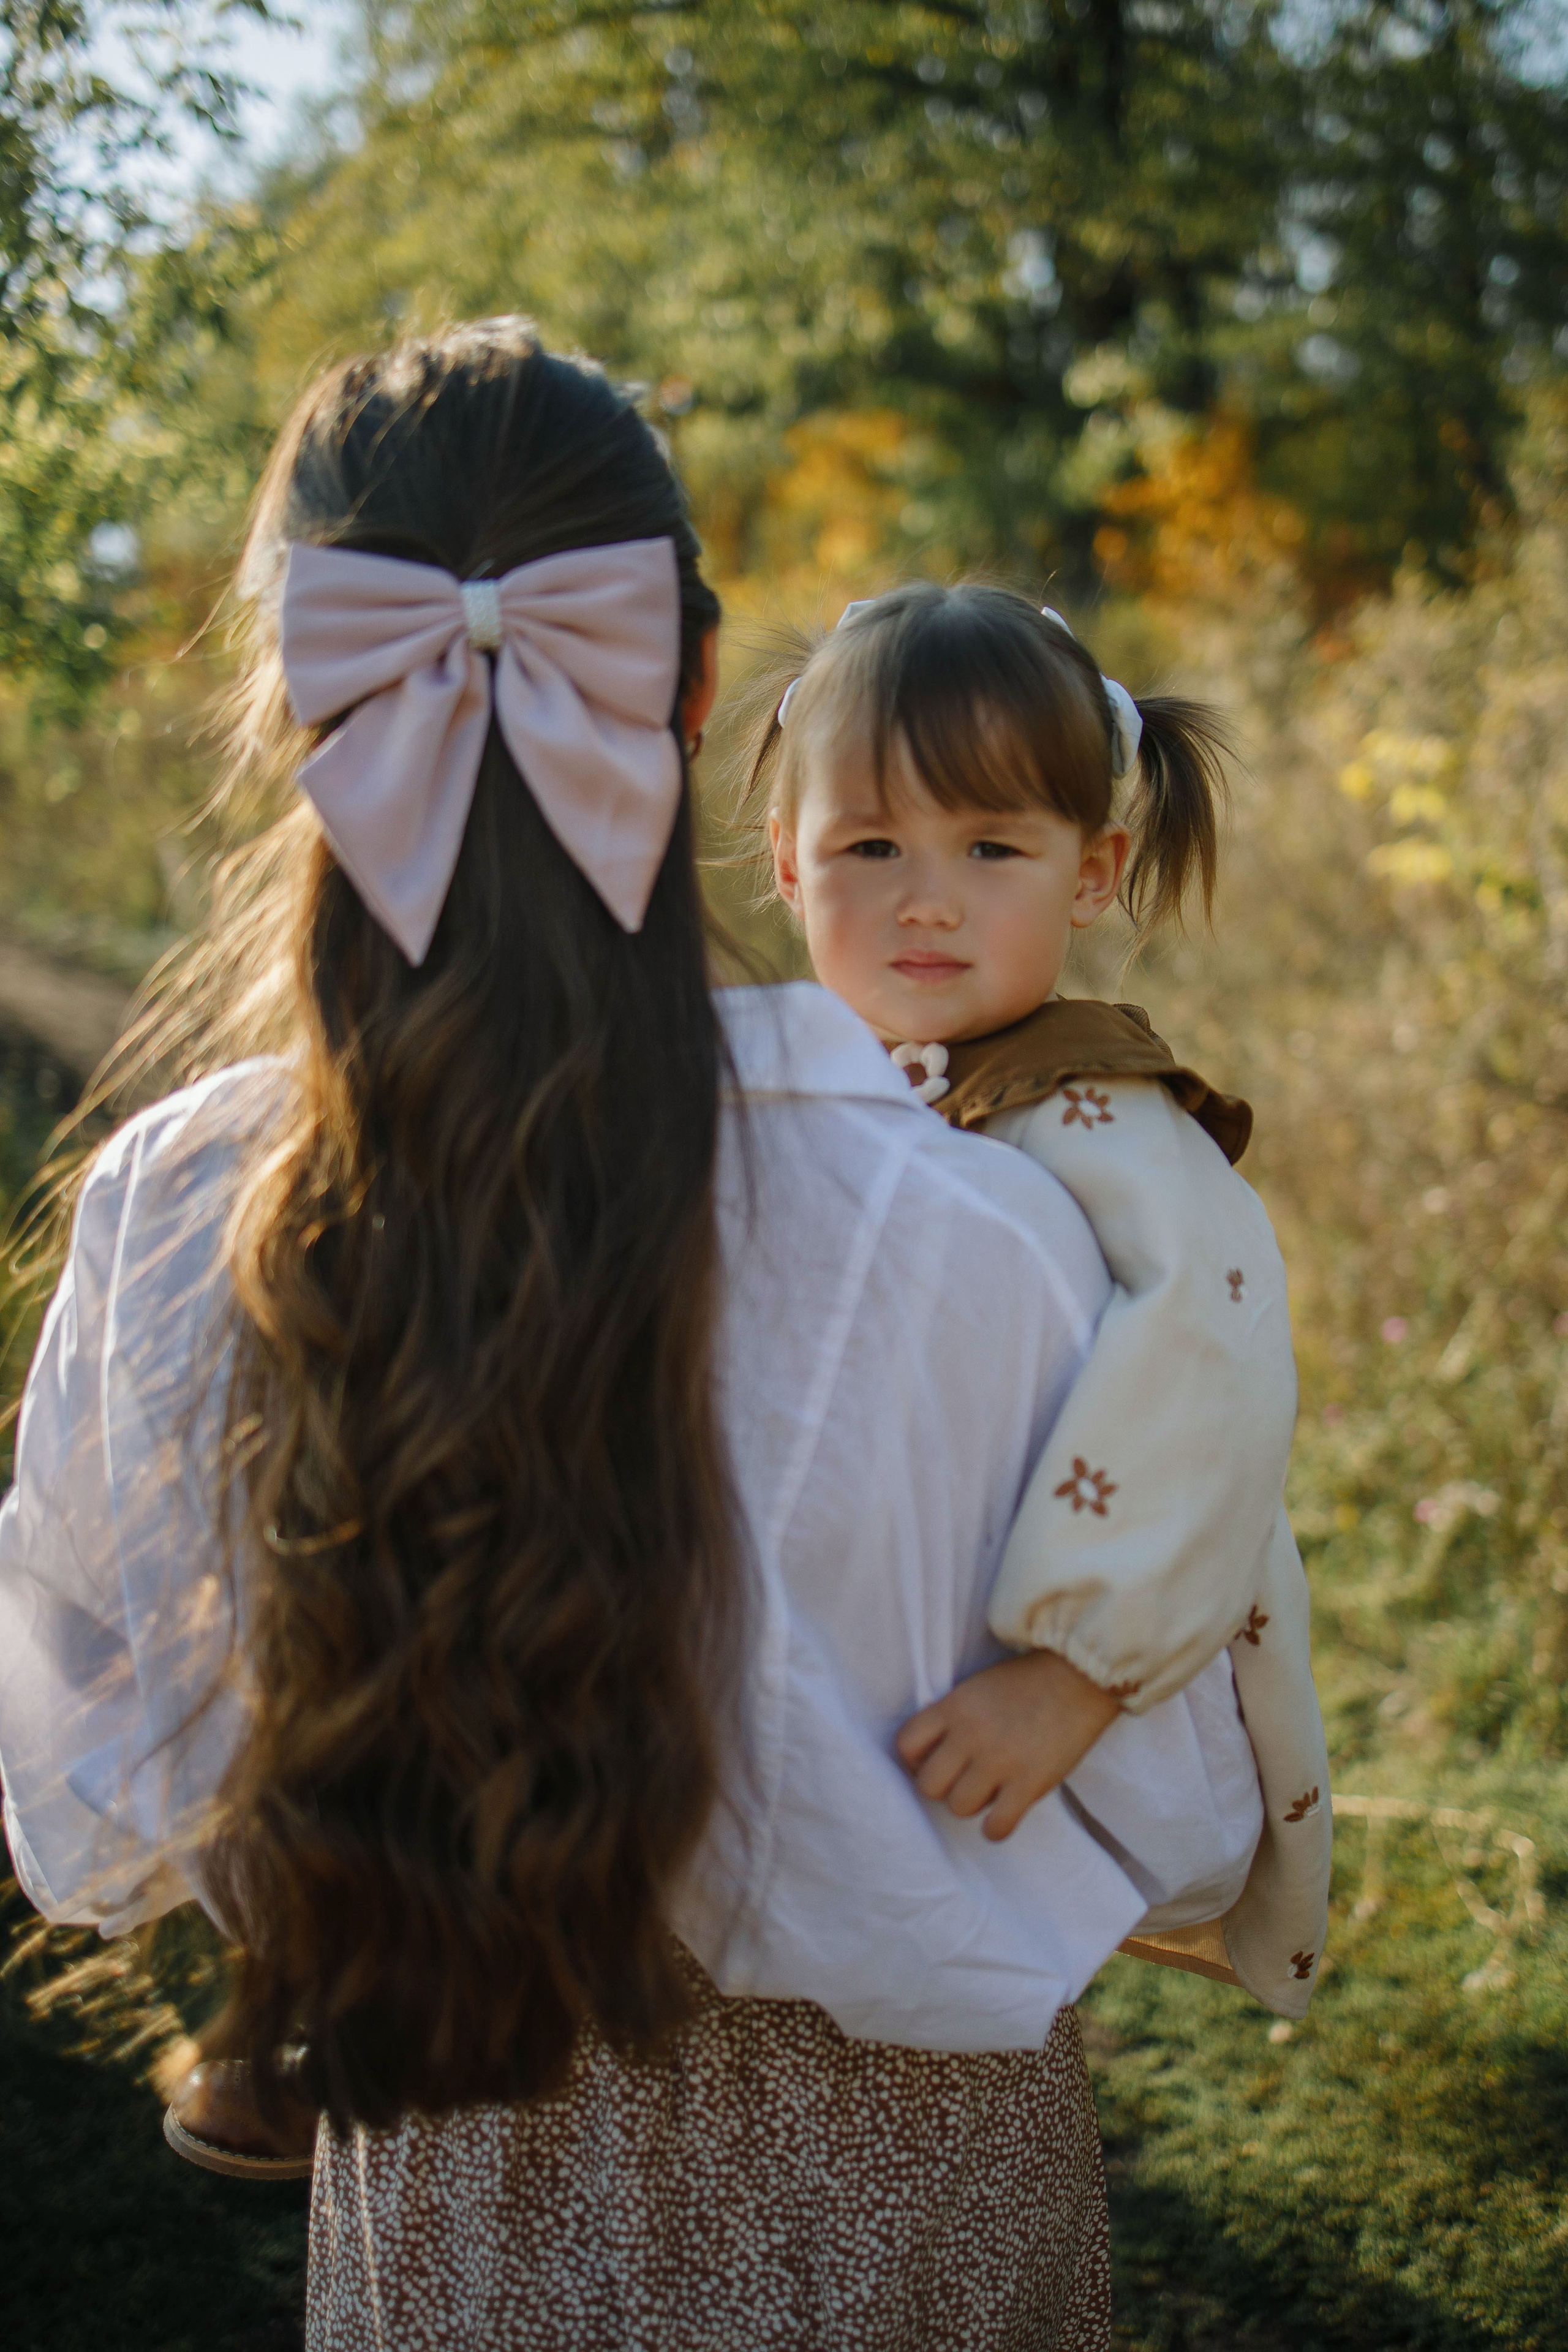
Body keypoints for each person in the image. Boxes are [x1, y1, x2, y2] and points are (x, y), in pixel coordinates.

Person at [0, 323, 1256, 2350]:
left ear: (295, 693)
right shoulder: (999, 1238)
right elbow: (1175, 1817)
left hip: (467, 2203)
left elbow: (96, 1792)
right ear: (692, 683)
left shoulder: (171, 1216)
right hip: (904, 2209)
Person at [748, 583, 1333, 2013]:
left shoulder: (1094, 1116)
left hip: (1075, 1661)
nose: (925, 897)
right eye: (869, 845)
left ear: (1090, 871)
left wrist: (1072, 1675)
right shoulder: (793, 1096)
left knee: (948, 1955)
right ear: (786, 860)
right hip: (877, 1641)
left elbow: (1210, 1361)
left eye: (989, 847)